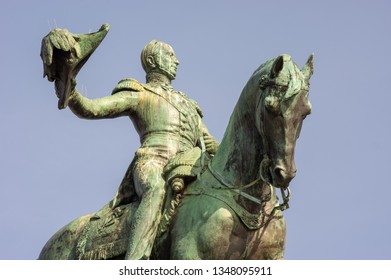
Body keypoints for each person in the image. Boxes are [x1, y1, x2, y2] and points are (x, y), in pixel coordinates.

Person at [65, 40, 219, 259]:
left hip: (189, 166)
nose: (177, 61)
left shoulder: (188, 104)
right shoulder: (140, 92)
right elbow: (92, 109)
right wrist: (70, 89)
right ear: (152, 60)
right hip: (153, 162)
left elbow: (210, 143)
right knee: (156, 189)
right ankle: (137, 262)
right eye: (170, 55)